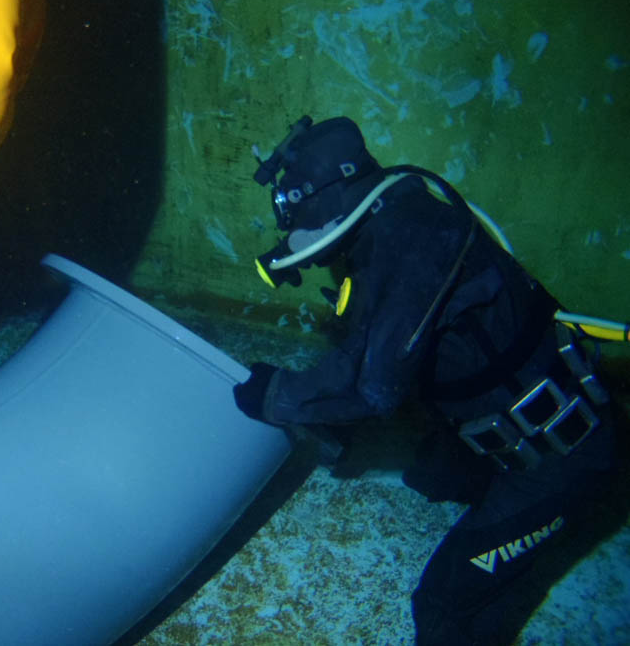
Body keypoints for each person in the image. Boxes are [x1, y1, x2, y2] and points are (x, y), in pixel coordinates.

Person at [233, 115, 618, 644]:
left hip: (563, 458)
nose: (286, 228)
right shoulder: (399, 218)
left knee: (443, 606)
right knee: (431, 476)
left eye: (287, 209)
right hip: (501, 425)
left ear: (316, 197)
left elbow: (373, 387)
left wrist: (275, 395)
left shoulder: (413, 240)